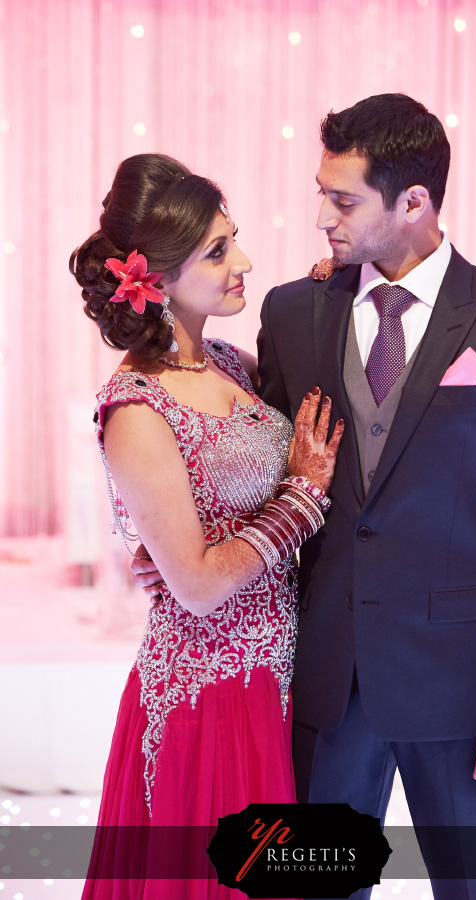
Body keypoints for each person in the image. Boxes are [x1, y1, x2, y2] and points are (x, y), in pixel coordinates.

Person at [133, 95, 476, 900]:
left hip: (469, 695)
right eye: (321, 191)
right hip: (323, 686)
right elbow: (261, 464)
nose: (319, 217)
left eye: (342, 200)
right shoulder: (295, 309)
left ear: (414, 202)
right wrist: (172, 543)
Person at [69, 152, 343, 898]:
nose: (242, 262)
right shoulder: (136, 408)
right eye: (218, 251)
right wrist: (301, 502)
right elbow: (193, 586)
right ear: (151, 278)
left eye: (234, 239)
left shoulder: (227, 362)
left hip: (278, 681)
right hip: (211, 701)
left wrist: (330, 293)